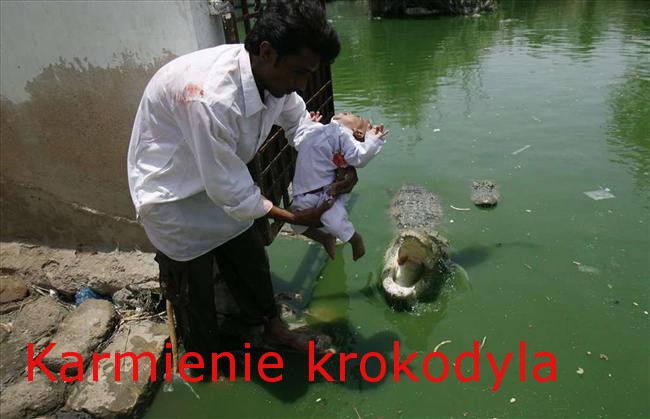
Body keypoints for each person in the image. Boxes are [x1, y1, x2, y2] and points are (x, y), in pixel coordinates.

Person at [126, 0, 353, 367]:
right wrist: (295, 219)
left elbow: (301, 126)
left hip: (219, 180)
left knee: (251, 260)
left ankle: (271, 328)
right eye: (298, 72)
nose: (301, 84)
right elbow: (228, 190)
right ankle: (201, 362)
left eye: (307, 74)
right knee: (194, 292)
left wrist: (337, 162)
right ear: (267, 52)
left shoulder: (273, 80)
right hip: (173, 197)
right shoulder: (209, 98)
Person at [290, 112, 386, 260]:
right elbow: (299, 140)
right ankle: (324, 238)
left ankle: (355, 239)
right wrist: (309, 124)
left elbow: (359, 156)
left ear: (357, 132)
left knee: (335, 223)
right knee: (296, 224)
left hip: (325, 193)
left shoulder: (343, 136)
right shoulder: (319, 129)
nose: (348, 113)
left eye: (356, 117)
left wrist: (373, 139)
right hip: (303, 193)